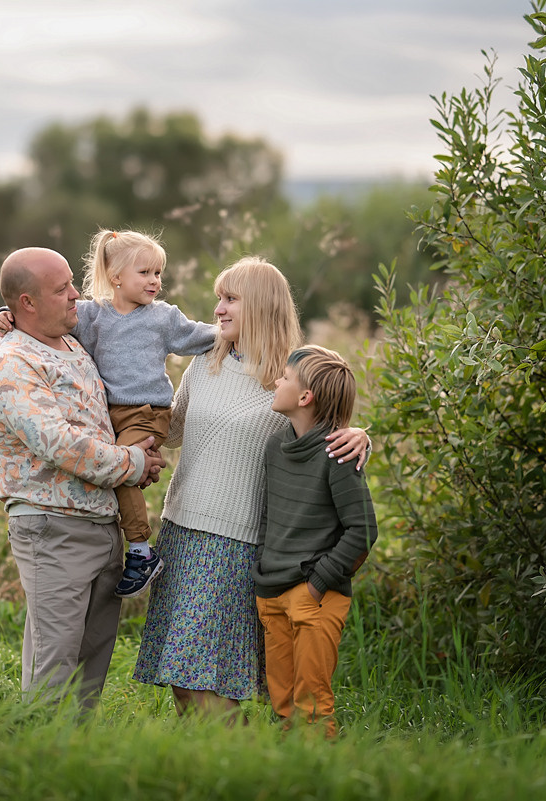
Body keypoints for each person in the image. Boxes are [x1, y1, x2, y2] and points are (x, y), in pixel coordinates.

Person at [132, 256, 371, 721]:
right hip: (181, 529)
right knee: (182, 681)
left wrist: (362, 435)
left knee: (205, 681)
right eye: (219, 298)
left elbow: (325, 427)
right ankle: (223, 769)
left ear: (260, 306)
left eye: (230, 299)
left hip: (236, 542)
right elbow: (170, 426)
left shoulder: (289, 375)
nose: (218, 309)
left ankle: (247, 768)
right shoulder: (205, 362)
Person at [0, 246, 167, 711]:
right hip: (53, 529)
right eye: (61, 289)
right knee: (54, 666)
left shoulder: (72, 342)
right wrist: (132, 463)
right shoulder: (10, 363)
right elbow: (58, 443)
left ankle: (74, 762)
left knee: (90, 666)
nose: (75, 295)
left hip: (103, 526)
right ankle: (37, 765)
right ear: (27, 303)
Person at [0, 229, 217, 598]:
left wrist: (240, 329)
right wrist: (4, 314)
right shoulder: (92, 316)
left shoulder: (163, 318)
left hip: (147, 412)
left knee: (125, 472)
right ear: (116, 278)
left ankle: (142, 551)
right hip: (110, 414)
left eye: (158, 273)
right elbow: (37, 311)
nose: (155, 281)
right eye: (145, 273)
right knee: (116, 467)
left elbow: (204, 336)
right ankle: (130, 541)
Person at [253, 345, 379, 738]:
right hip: (271, 590)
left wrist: (317, 584)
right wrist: (263, 568)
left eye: (286, 378)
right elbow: (269, 515)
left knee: (312, 705)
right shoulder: (276, 445)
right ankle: (290, 773)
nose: (276, 381)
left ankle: (321, 774)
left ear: (305, 396)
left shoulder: (337, 452)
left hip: (315, 595)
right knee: (283, 704)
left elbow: (362, 531)